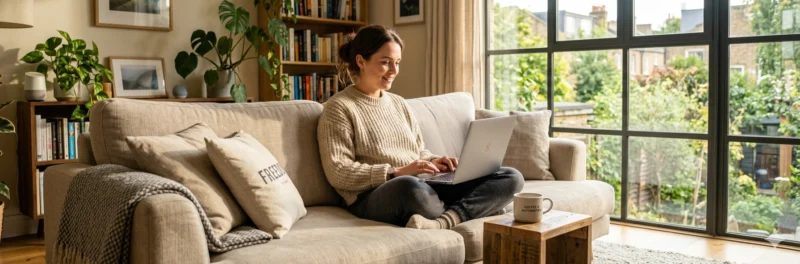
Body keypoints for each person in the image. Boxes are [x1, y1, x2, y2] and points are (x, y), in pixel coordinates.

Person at [317, 25, 523, 229]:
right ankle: (479, 207)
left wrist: (434, 161)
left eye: (397, 63)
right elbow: (339, 171)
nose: (394, 71)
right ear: (361, 61)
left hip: (423, 184)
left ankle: (445, 220)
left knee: (510, 177)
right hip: (376, 194)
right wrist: (395, 172)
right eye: (386, 62)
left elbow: (418, 151)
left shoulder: (398, 103)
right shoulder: (338, 107)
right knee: (408, 187)